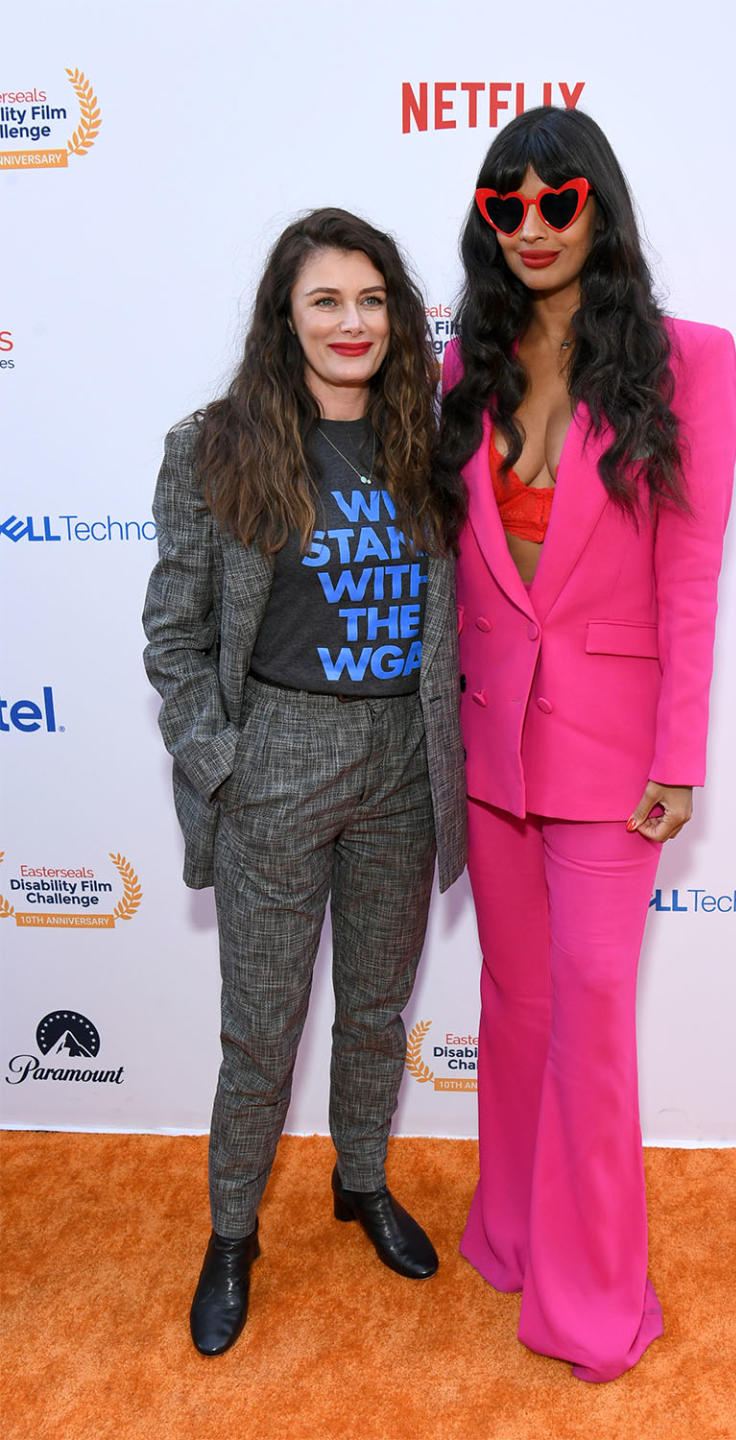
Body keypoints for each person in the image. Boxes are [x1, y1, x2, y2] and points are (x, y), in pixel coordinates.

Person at [438, 108, 736, 1382]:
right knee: (515, 1005)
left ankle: (594, 1297)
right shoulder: (470, 362)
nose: (536, 226)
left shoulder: (689, 361)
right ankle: (509, 1231)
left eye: (559, 200)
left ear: (599, 207)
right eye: (509, 207)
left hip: (616, 755)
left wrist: (680, 754)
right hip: (491, 741)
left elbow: (689, 570)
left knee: (593, 1011)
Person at [143, 208, 467, 1357]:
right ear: (286, 314)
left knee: (378, 1010)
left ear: (399, 317)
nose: (352, 321)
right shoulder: (215, 445)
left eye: (373, 300)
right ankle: (233, 1235)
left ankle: (361, 1180)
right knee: (262, 1030)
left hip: (405, 768)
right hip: (274, 759)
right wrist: (223, 764)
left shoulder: (430, 441)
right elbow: (174, 638)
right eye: (326, 299)